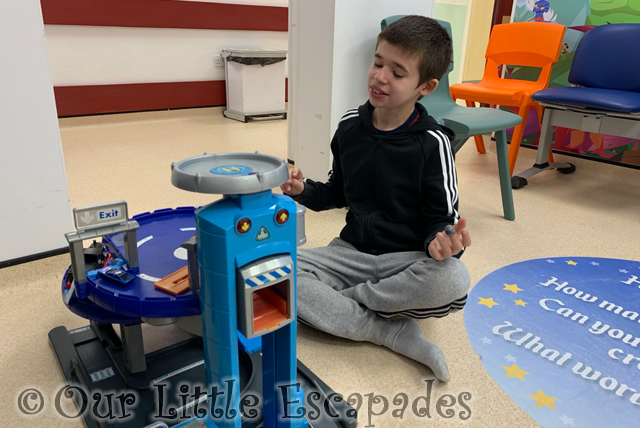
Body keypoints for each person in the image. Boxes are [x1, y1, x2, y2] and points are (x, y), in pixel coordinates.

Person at [281, 16, 471, 382]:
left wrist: (444, 243)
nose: (380, 76)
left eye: (398, 73)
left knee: (453, 279)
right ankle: (387, 330)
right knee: (278, 271)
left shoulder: (434, 143)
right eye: (378, 62)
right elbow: (337, 193)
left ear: (426, 86)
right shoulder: (350, 127)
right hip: (349, 253)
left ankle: (344, 302)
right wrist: (304, 192)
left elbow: (440, 220)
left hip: (406, 260)